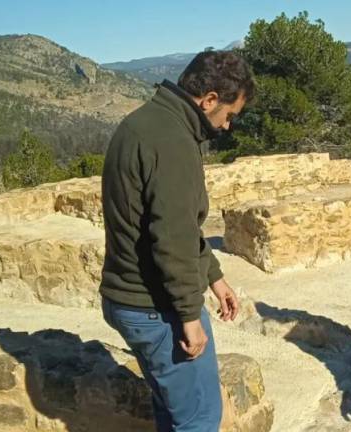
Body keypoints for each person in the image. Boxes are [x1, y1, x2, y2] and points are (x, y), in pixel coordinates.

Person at [99, 50, 255, 432]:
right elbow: (172, 239)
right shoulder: (173, 142)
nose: (227, 127)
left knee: (174, 414)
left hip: (128, 301)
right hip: (156, 307)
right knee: (200, 420)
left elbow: (175, 223)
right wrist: (189, 316)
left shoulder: (144, 123)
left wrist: (215, 278)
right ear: (210, 100)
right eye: (229, 115)